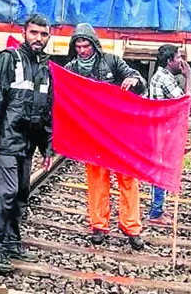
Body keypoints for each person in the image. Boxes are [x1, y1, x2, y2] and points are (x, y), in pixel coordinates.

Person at [0, 13, 54, 273]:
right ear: (24, 33)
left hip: (28, 144)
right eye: (34, 33)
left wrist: (47, 147)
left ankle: (11, 242)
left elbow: (45, 112)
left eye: (43, 34)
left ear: (48, 36)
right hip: (6, 141)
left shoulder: (45, 69)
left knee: (20, 195)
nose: (38, 39)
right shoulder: (9, 60)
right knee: (6, 193)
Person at [64, 22, 147, 250]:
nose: (82, 50)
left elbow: (139, 82)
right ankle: (99, 226)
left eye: (86, 45)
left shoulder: (112, 61)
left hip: (120, 133)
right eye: (78, 46)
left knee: (128, 179)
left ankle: (132, 228)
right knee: (96, 181)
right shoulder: (70, 69)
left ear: (94, 45)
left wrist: (135, 81)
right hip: (92, 136)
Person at [148, 44, 191, 225]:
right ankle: (155, 212)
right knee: (161, 168)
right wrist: (188, 78)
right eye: (178, 57)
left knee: (160, 168)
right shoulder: (165, 79)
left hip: (160, 129)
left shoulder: (161, 76)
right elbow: (184, 103)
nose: (181, 61)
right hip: (162, 132)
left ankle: (157, 209)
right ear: (169, 61)